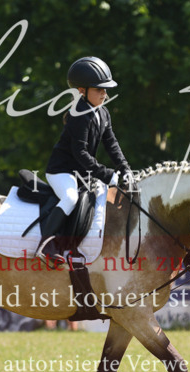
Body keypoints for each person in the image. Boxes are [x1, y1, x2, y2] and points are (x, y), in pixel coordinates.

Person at [38, 56, 132, 262]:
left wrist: (124, 168)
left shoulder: (103, 113)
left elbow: (112, 143)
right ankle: (46, 244)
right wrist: (108, 174)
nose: (104, 94)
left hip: (81, 172)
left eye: (105, 90)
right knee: (70, 198)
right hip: (61, 171)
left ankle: (75, 246)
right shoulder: (78, 115)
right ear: (82, 90)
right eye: (99, 90)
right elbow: (80, 152)